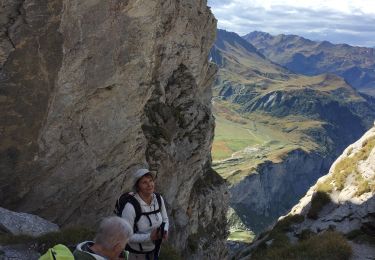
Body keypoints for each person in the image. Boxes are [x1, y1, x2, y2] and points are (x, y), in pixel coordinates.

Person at [121, 168, 169, 260]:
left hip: (155, 250)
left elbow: (165, 219)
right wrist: (149, 237)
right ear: (138, 186)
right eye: (144, 182)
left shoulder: (158, 199)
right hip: (136, 254)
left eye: (151, 181)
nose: (149, 185)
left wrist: (164, 231)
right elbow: (126, 236)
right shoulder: (130, 207)